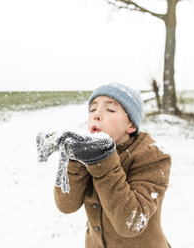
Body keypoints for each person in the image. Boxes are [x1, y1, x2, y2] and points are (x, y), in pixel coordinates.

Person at [42, 83, 172, 248]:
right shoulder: (87, 151)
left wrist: (103, 161)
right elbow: (66, 205)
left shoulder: (152, 156)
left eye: (110, 110)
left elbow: (131, 223)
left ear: (131, 125)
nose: (96, 115)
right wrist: (75, 161)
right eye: (92, 110)